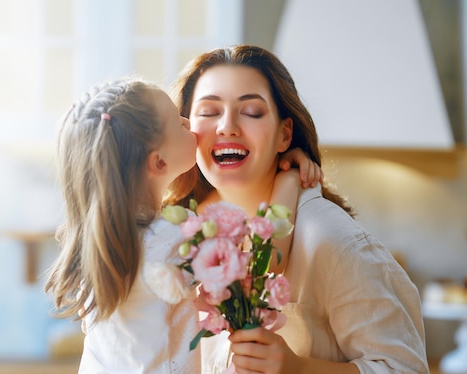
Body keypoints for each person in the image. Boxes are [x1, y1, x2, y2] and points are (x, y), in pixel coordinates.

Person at [166, 45, 428, 374]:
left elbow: (406, 368)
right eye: (209, 111)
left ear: (284, 134)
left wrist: (300, 369)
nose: (227, 126)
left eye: (251, 111)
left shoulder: (333, 241)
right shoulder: (180, 235)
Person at [44, 77, 321, 373]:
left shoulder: (99, 244)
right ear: (159, 163)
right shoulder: (173, 237)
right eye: (178, 123)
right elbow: (261, 265)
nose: (188, 123)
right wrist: (289, 179)